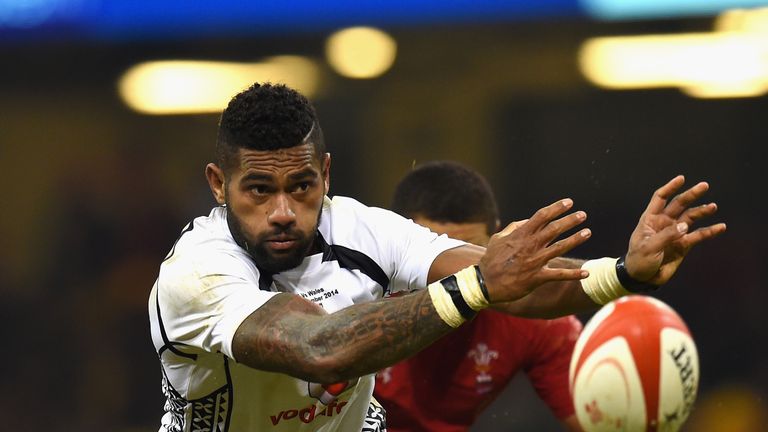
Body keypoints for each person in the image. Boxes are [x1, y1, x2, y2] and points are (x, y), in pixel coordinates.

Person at [147, 82, 725, 432]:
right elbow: (319, 349)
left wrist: (622, 271)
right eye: (258, 190)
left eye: (300, 186)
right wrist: (479, 286)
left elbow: (515, 282)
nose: (282, 211)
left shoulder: (364, 228)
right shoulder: (196, 272)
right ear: (218, 184)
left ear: (324, 173)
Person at [374, 161, 583, 431]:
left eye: (470, 253)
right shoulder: (349, 297)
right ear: (395, 241)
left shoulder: (533, 319)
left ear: (498, 239)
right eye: (434, 258)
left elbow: (602, 420)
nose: (454, 277)